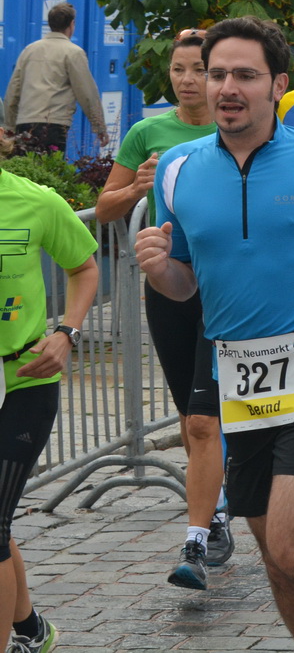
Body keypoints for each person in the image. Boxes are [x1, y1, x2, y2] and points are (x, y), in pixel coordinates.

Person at [134, 16, 294, 653]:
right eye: (217, 74)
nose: (227, 87)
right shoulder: (177, 170)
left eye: (245, 75)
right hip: (236, 381)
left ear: (278, 85)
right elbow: (185, 284)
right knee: (276, 558)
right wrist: (161, 269)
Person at [95, 29, 229, 588]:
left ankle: (206, 527)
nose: (188, 79)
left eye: (198, 68)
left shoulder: (235, 128)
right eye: (179, 69)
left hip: (224, 287)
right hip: (168, 283)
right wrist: (137, 189)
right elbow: (105, 208)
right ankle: (216, 503)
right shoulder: (149, 132)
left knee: (206, 417)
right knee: (191, 413)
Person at [0, 131, 99, 653]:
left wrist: (67, 332)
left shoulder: (35, 200)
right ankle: (32, 629)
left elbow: (84, 268)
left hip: (24, 381)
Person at [3, 1, 108, 152]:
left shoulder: (29, 50)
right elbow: (86, 93)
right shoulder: (73, 52)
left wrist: (9, 127)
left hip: (24, 124)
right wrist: (99, 126)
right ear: (72, 24)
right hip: (53, 126)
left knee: (27, 172)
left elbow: (13, 91)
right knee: (49, 171)